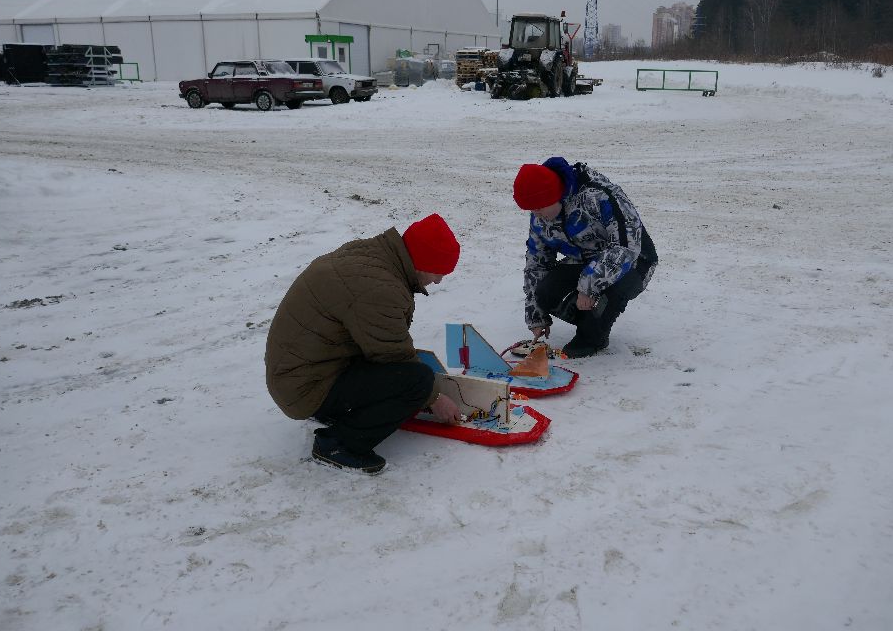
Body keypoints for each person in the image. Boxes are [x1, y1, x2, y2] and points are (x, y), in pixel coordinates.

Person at [264, 214, 463, 474]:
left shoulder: (374, 255)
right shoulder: (379, 288)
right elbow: (393, 355)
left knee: (408, 373)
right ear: (423, 261)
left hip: (301, 372)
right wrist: (434, 398)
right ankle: (337, 444)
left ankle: (339, 412)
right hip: (305, 387)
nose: (438, 281)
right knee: (417, 381)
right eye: (439, 272)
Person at [512, 157, 657, 358]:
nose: (536, 214)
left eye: (538, 207)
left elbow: (626, 247)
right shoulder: (541, 214)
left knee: (611, 290)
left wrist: (588, 286)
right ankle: (592, 318)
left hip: (634, 261)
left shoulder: (599, 195)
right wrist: (537, 315)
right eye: (531, 209)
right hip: (584, 260)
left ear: (554, 195)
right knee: (544, 292)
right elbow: (537, 263)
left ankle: (592, 336)